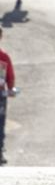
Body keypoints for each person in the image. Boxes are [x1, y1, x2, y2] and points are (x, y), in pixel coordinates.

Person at [0, 25, 15, 164]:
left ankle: (0, 150)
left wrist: (11, 88)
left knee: (0, 122)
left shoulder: (4, 57)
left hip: (0, 94)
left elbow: (10, 76)